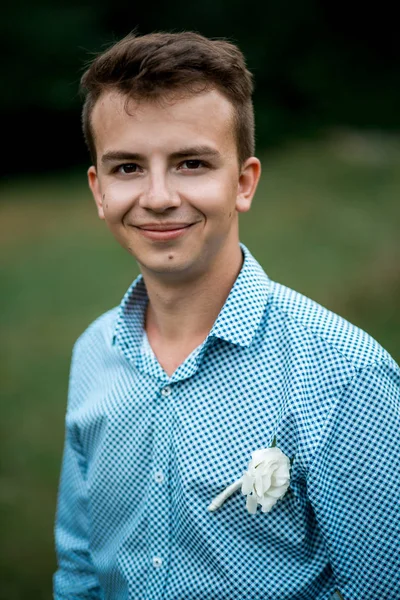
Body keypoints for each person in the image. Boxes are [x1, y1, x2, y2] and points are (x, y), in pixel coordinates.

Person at [53, 31, 400, 600]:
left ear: (243, 182)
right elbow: (81, 569)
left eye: (191, 163)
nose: (159, 196)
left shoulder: (345, 373)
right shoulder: (93, 354)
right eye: (127, 168)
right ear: (98, 190)